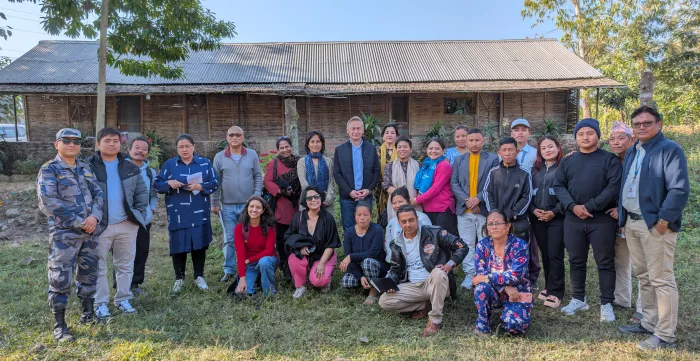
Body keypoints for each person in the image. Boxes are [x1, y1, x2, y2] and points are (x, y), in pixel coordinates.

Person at [617, 106, 690, 351]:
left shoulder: (670, 149)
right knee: (644, 275)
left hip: (655, 226)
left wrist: (663, 223)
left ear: (659, 124)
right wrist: (625, 220)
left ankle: (665, 335)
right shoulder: (634, 150)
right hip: (633, 223)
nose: (641, 127)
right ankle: (648, 322)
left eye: (647, 123)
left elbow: (679, 190)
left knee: (661, 279)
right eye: (637, 124)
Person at [38, 128, 104, 342]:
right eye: (66, 141)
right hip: (64, 236)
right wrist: (80, 222)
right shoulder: (50, 170)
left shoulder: (85, 167)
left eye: (76, 141)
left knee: (88, 275)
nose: (72, 144)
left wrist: (94, 217)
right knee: (60, 279)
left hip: (90, 234)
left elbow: (98, 194)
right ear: (57, 144)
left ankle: (88, 314)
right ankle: (60, 326)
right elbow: (49, 203)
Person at [553, 118, 621, 322]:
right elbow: (558, 186)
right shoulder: (568, 161)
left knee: (605, 262)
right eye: (581, 133)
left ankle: (606, 303)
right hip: (573, 220)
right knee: (575, 260)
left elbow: (613, 187)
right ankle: (578, 298)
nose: (585, 137)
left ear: (598, 136)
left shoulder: (609, 160)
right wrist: (574, 207)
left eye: (589, 133)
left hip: (601, 220)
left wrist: (589, 207)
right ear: (576, 137)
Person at [378, 205, 468, 337]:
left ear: (417, 219)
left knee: (438, 272)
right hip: (413, 286)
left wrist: (449, 265)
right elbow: (395, 269)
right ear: (399, 223)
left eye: (411, 220)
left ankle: (435, 320)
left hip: (435, 282)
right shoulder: (396, 243)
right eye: (404, 221)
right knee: (384, 301)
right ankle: (423, 304)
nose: (408, 224)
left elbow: (462, 246)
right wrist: (390, 283)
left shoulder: (434, 232)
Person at [87, 127, 148, 320]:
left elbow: (142, 193)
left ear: (120, 143)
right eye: (107, 140)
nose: (112, 144)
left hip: (126, 224)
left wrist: (137, 217)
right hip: (100, 224)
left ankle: (123, 298)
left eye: (115, 140)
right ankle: (100, 303)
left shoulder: (130, 167)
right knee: (99, 265)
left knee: (125, 264)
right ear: (98, 144)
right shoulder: (88, 167)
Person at [155, 134, 219, 293]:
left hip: (199, 210)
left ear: (193, 147)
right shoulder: (170, 165)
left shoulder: (205, 163)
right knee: (179, 243)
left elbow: (215, 183)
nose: (184, 149)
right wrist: (168, 183)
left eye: (187, 146)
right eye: (181, 147)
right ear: (177, 149)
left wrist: (199, 187)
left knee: (199, 243)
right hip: (178, 212)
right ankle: (179, 278)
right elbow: (157, 184)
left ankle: (199, 276)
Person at [212, 126, 263, 283]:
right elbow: (216, 181)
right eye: (231, 135)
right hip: (226, 206)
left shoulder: (251, 154)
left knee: (249, 237)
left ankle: (247, 266)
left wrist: (256, 198)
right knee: (229, 238)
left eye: (238, 135)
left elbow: (258, 176)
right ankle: (229, 270)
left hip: (248, 206)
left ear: (243, 137)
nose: (234, 137)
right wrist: (214, 202)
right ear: (227, 137)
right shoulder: (219, 157)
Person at [450, 128, 499, 289]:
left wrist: (478, 199)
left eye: (477, 140)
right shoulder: (459, 160)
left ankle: (484, 273)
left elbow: (493, 182)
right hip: (464, 211)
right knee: (467, 243)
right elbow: (454, 183)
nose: (473, 143)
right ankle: (469, 273)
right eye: (470, 140)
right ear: (466, 141)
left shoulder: (492, 159)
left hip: (484, 210)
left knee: (485, 242)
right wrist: (468, 201)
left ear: (483, 141)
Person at [472, 209, 533, 336]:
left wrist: (487, 277)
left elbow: (515, 276)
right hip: (496, 290)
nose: (494, 227)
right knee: (481, 288)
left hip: (516, 292)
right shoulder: (482, 246)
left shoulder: (519, 245)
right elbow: (480, 275)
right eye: (490, 224)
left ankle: (507, 316)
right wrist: (505, 287)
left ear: (508, 226)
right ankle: (483, 325)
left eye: (498, 223)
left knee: (514, 326)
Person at [607, 122, 643, 323]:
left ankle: (643, 308)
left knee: (642, 266)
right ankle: (622, 299)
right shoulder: (611, 161)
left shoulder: (641, 159)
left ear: (632, 139)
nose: (616, 142)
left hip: (638, 219)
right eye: (612, 139)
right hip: (617, 221)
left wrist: (621, 210)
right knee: (621, 261)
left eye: (621, 138)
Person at [284, 186, 341, 299]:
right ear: (305, 201)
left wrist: (322, 263)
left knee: (319, 281)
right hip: (305, 254)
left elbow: (331, 244)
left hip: (324, 255)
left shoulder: (328, 218)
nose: (313, 200)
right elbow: (289, 236)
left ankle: (325, 278)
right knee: (293, 259)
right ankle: (300, 286)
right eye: (309, 198)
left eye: (316, 197)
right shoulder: (298, 217)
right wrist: (299, 247)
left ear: (321, 198)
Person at [529, 136, 565, 308]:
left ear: (558, 148)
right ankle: (549, 286)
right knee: (545, 253)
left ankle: (557, 292)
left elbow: (568, 194)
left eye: (550, 146)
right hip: (538, 218)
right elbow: (528, 194)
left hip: (557, 217)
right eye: (543, 148)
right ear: (540, 152)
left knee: (555, 253)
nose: (547, 150)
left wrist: (554, 212)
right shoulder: (535, 170)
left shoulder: (564, 167)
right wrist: (534, 210)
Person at [333, 116, 381, 230]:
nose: (356, 131)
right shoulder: (340, 150)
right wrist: (350, 192)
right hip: (347, 198)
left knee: (366, 228)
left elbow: (376, 171)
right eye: (353, 129)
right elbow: (337, 173)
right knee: (349, 229)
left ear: (363, 130)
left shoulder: (371, 148)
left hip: (366, 196)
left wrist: (368, 190)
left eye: (358, 128)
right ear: (347, 131)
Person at [124, 136, 158, 295]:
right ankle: (122, 285)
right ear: (129, 150)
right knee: (123, 254)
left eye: (144, 149)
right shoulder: (121, 168)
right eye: (137, 147)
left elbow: (153, 194)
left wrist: (152, 209)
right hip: (124, 219)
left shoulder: (150, 172)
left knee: (141, 251)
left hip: (143, 220)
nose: (140, 151)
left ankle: (135, 283)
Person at [264, 136, 301, 281]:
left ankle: (297, 267)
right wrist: (281, 191)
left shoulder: (299, 162)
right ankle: (285, 269)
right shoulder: (274, 163)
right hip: (281, 207)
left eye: (287, 146)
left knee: (297, 238)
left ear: (291, 147)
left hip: (298, 206)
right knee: (281, 240)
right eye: (282, 148)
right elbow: (267, 181)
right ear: (278, 150)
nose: (285, 150)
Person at [511, 118, 541, 289]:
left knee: (532, 241)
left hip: (532, 202)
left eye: (523, 129)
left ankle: (533, 275)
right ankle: (514, 272)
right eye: (516, 130)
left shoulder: (536, 153)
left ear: (529, 133)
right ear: (511, 133)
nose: (520, 133)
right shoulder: (506, 152)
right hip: (511, 203)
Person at [339, 202, 389, 304]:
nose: (362, 218)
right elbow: (350, 260)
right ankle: (366, 282)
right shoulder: (349, 233)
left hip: (377, 266)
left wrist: (351, 256)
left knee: (367, 262)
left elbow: (373, 253)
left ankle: (373, 292)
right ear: (355, 216)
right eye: (359, 215)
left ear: (371, 216)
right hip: (359, 268)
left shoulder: (377, 230)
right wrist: (360, 276)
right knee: (346, 281)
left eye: (365, 215)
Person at [484, 137, 531, 243]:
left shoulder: (524, 174)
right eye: (504, 150)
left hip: (518, 222)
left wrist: (511, 214)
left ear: (517, 151)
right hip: (497, 223)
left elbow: (526, 197)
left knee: (519, 254)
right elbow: (487, 193)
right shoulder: (493, 172)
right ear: (499, 153)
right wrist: (495, 213)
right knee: (498, 254)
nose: (507, 153)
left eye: (511, 149)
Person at [411, 137, 457, 235]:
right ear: (426, 150)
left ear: (443, 150)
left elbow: (435, 188)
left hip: (442, 209)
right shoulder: (426, 166)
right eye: (430, 148)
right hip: (428, 208)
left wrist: (417, 200)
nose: (433, 151)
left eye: (437, 148)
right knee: (432, 242)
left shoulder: (444, 165)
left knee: (444, 242)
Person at [234, 197, 279, 296]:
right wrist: (242, 279)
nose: (254, 210)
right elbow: (240, 254)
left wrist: (249, 260)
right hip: (250, 264)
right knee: (241, 292)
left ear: (263, 210)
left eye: (258, 207)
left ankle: (269, 292)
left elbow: (269, 251)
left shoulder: (270, 227)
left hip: (268, 259)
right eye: (251, 206)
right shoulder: (239, 228)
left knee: (264, 262)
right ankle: (257, 280)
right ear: (247, 208)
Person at [384, 187, 432, 263]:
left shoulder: (422, 218)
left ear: (408, 201)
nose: (397, 205)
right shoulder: (391, 223)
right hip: (398, 263)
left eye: (400, 201)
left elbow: (430, 240)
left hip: (421, 261)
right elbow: (388, 243)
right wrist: (394, 261)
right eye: (394, 203)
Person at [382, 135, 421, 220]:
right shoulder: (390, 166)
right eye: (399, 147)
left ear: (410, 149)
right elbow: (387, 186)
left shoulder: (418, 165)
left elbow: (423, 185)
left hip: (415, 203)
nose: (402, 149)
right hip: (397, 205)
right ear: (396, 149)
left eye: (405, 147)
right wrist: (404, 198)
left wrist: (416, 199)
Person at [298, 130, 335, 214]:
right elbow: (304, 185)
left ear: (322, 144)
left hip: (326, 203)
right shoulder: (301, 162)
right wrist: (314, 200)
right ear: (308, 144)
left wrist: (327, 200)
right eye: (312, 142)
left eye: (318, 141)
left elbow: (331, 183)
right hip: (308, 202)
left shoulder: (328, 161)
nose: (315, 144)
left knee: (326, 226)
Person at [374, 123, 400, 218]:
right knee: (383, 215)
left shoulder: (400, 151)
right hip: (380, 189)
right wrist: (383, 184)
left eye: (392, 133)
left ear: (396, 136)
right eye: (387, 133)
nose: (389, 135)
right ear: (383, 136)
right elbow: (373, 169)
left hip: (397, 188)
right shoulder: (376, 151)